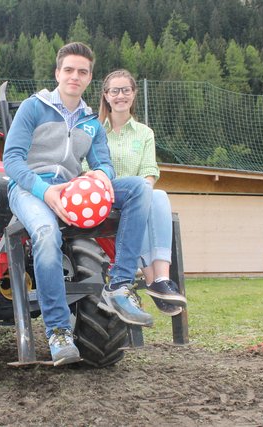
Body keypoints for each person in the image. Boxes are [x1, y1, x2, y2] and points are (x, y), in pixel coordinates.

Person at [4, 42, 162, 366]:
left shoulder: (91, 120)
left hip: (74, 189)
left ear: (90, 78)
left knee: (138, 190)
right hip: (29, 188)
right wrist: (44, 191)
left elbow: (102, 162)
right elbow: (11, 161)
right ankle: (59, 331)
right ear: (57, 73)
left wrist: (103, 176)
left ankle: (119, 286)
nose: (75, 76)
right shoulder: (33, 108)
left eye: (83, 71)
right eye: (69, 70)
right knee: (47, 235)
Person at [98, 69, 187, 316]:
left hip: (137, 198)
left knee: (157, 195)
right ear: (106, 96)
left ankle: (160, 279)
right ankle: (152, 280)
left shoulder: (144, 133)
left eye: (126, 90)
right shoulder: (96, 131)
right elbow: (88, 169)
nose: (120, 96)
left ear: (134, 94)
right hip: (106, 196)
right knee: (145, 195)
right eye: (114, 91)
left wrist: (144, 191)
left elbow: (149, 170)